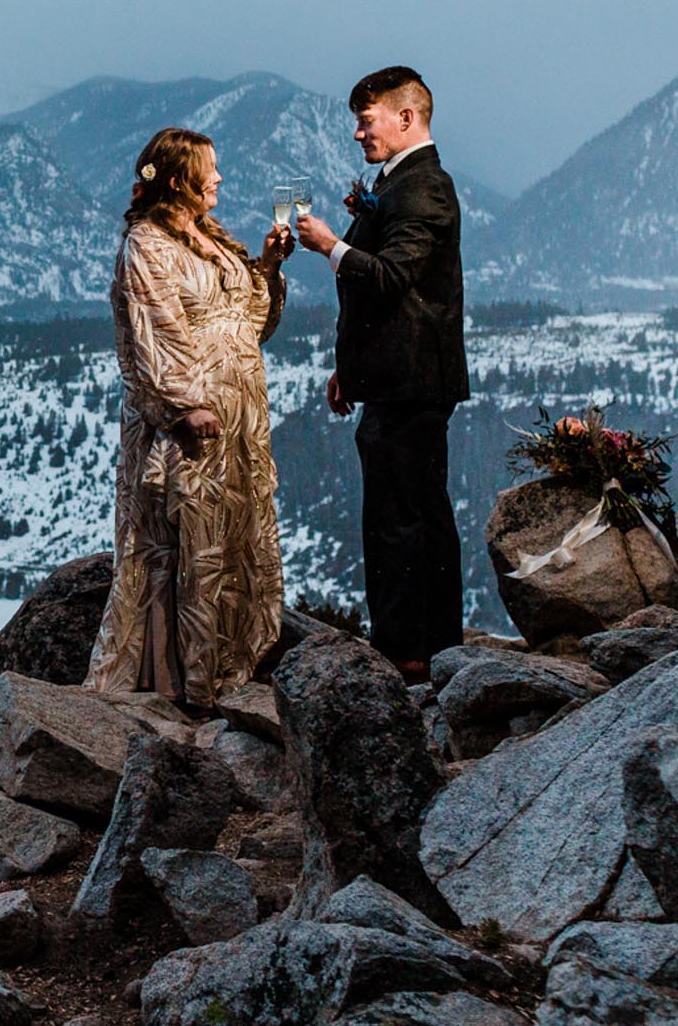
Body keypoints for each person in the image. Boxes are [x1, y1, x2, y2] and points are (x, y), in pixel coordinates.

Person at [84, 126, 293, 711]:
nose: (221, 178)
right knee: (189, 544)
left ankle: (234, 665)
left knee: (233, 539)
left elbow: (249, 321)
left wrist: (269, 267)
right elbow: (155, 330)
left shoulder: (206, 237)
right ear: (178, 180)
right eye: (210, 169)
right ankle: (184, 682)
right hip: (191, 424)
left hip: (239, 419)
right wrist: (183, 405)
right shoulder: (148, 245)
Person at [293, 66, 468, 680]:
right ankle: (427, 644)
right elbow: (384, 298)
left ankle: (411, 652)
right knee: (410, 511)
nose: (358, 134)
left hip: (413, 383)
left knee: (403, 520)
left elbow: (391, 278)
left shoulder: (424, 188)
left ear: (405, 117)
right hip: (394, 380)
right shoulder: (397, 184)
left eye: (366, 121)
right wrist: (351, 369)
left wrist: (327, 246)